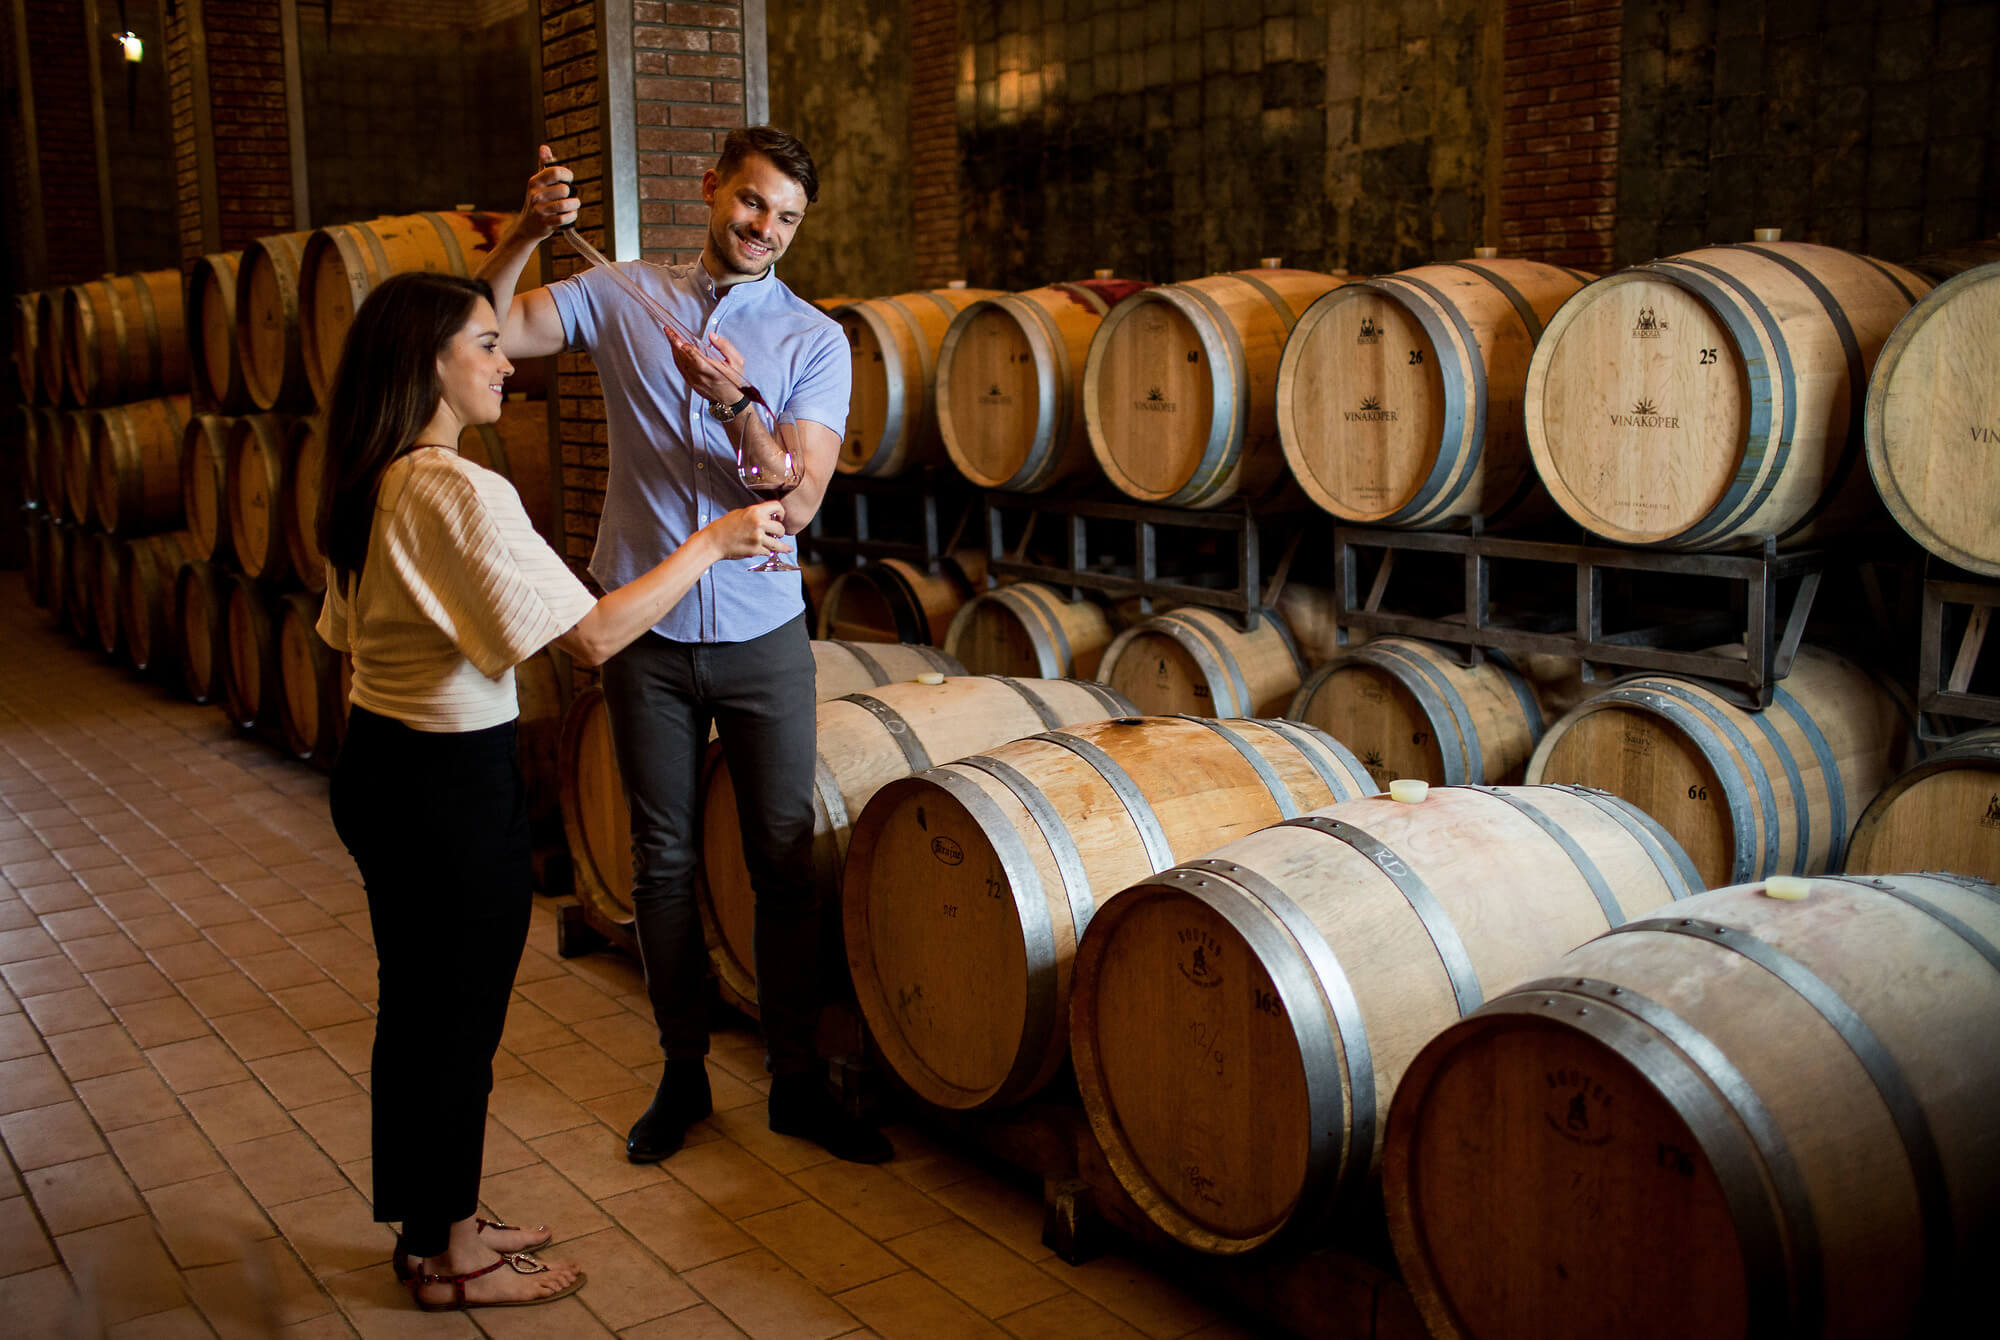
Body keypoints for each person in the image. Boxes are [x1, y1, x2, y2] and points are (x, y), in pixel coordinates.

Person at [316, 269, 788, 1311]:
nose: (504, 361)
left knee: (418, 1010)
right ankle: (457, 1260)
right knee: (458, 1022)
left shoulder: (374, 474)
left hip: (382, 761)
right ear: (427, 362)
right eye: (484, 343)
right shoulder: (454, 486)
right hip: (445, 782)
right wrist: (710, 540)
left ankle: (435, 1224)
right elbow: (591, 635)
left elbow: (343, 638)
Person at [476, 127, 892, 1165]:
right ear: (710, 189)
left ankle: (792, 1079)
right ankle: (681, 1075)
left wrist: (735, 404)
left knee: (781, 863)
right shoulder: (620, 291)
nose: (765, 229)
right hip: (647, 628)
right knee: (661, 863)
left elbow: (793, 500)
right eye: (753, 203)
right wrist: (527, 232)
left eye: (787, 217)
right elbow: (487, 331)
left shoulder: (813, 339)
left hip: (760, 635)